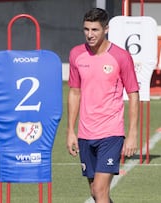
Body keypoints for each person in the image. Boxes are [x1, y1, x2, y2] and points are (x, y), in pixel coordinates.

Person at [66, 8, 139, 203]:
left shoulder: (121, 57)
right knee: (95, 192)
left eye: (95, 30)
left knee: (99, 190)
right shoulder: (76, 54)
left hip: (111, 133)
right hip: (85, 134)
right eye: (86, 29)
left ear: (106, 29)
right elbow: (74, 92)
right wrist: (71, 131)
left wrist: (132, 134)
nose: (90, 34)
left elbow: (133, 94)